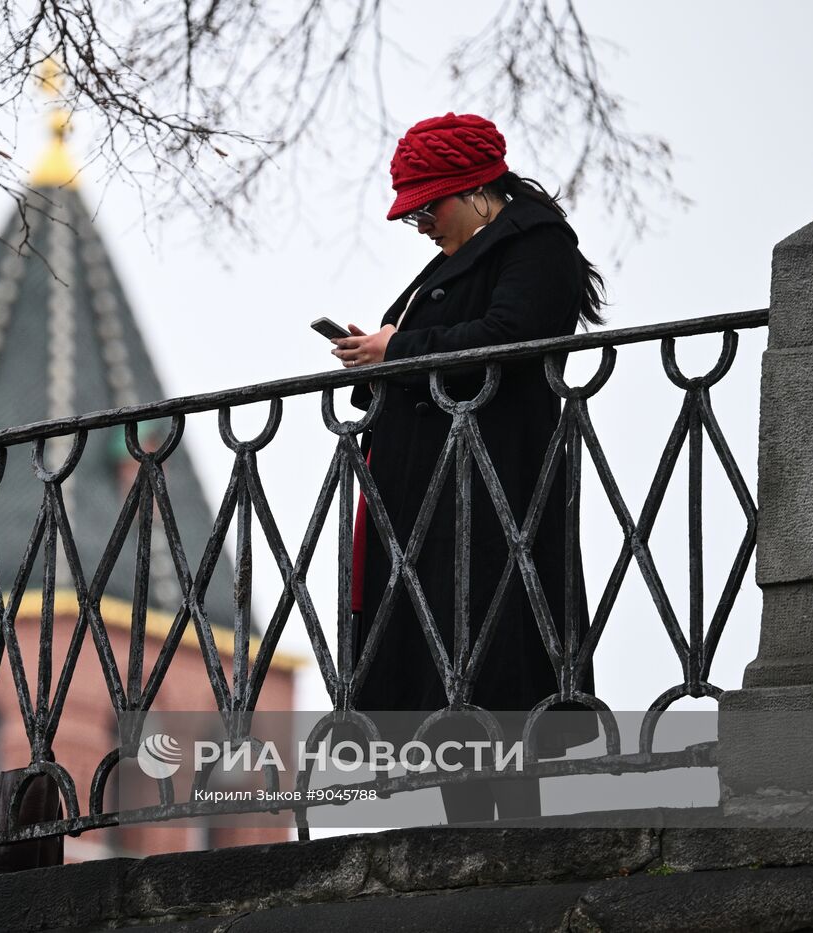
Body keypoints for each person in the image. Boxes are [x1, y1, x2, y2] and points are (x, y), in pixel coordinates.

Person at [332, 113, 604, 822]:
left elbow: (513, 335)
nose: (419, 222)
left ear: (478, 189)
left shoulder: (537, 245)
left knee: (494, 648)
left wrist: (400, 350)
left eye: (428, 205)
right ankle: (457, 826)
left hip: (491, 488)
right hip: (431, 490)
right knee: (435, 655)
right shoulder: (459, 261)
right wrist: (380, 355)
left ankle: (509, 837)